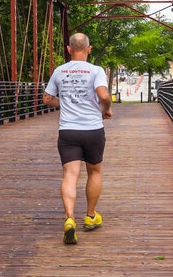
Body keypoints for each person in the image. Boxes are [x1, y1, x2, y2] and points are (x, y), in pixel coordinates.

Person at [42, 33, 113, 245]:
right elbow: (103, 95)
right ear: (89, 49)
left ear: (68, 48)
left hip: (68, 131)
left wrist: (66, 104)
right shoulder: (96, 70)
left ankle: (70, 219)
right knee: (94, 171)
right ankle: (90, 216)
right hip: (92, 130)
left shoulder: (59, 71)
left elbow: (46, 99)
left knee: (70, 175)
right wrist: (106, 110)